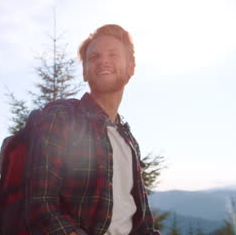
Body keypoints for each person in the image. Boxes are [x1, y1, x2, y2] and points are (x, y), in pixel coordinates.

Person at [25, 24, 160, 235]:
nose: (103, 61)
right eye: (94, 57)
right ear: (85, 72)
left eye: (113, 54)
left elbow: (140, 220)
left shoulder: (128, 140)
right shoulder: (61, 118)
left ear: (131, 67)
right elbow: (41, 205)